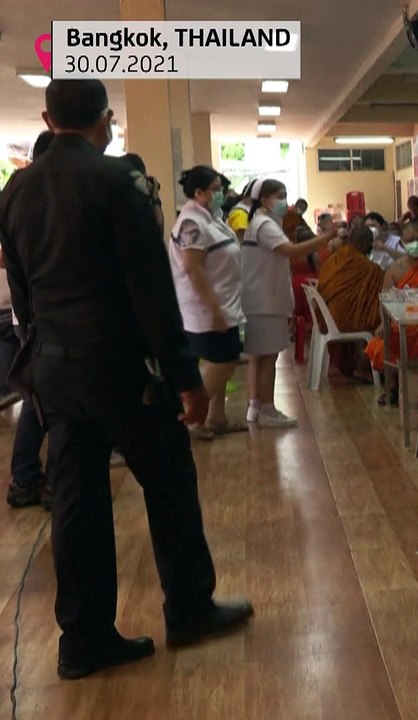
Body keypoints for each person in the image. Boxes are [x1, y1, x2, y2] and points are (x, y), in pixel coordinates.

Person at [0, 79, 252, 679]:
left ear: (46, 118)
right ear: (107, 121)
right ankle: (188, 608)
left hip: (54, 368)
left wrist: (39, 357)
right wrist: (185, 375)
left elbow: (23, 292)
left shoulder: (15, 190)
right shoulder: (119, 183)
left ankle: (84, 639)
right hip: (116, 365)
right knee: (168, 478)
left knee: (77, 501)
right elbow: (151, 291)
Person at [241, 179, 335, 428]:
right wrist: (324, 238)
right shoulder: (265, 224)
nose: (284, 201)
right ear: (264, 200)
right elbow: (291, 251)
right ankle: (267, 409)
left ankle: (255, 407)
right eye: (279, 196)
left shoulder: (262, 223)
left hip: (260, 298)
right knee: (268, 357)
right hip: (265, 300)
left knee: (258, 356)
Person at [168, 165, 247, 440]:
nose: (220, 194)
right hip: (206, 308)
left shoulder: (211, 217)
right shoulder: (192, 222)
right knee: (224, 361)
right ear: (198, 192)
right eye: (215, 189)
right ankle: (190, 415)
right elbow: (193, 269)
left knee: (221, 358)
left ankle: (215, 417)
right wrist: (214, 309)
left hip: (224, 302)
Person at [3, 130, 55, 511]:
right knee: (42, 399)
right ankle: (27, 478)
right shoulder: (36, 192)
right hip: (42, 317)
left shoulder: (15, 190)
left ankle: (32, 478)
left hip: (31, 314)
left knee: (42, 398)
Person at [364, 222, 418, 404]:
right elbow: (385, 301)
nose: (416, 243)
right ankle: (396, 387)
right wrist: (384, 323)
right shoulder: (395, 269)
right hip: (403, 323)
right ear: (403, 243)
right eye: (411, 240)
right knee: (380, 346)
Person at [316, 224, 384, 381]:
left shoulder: (335, 257)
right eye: (369, 244)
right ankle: (363, 367)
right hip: (341, 320)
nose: (371, 247)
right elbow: (383, 281)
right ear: (363, 244)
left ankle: (364, 364)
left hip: (326, 316)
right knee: (383, 322)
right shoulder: (364, 265)